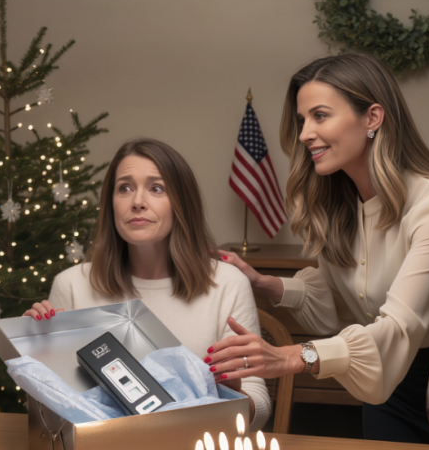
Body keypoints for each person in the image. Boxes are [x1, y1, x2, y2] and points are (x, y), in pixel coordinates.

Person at [210, 52, 429, 444]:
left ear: (372, 118)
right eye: (303, 119)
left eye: (320, 116)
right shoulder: (338, 202)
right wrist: (263, 283)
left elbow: (398, 327)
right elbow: (341, 291)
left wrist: (293, 356)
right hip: (387, 384)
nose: (305, 133)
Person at [24, 137, 271, 429]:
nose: (137, 202)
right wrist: (39, 355)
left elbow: (260, 406)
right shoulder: (71, 284)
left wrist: (232, 395)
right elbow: (50, 412)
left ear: (182, 203)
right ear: (111, 203)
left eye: (156, 188)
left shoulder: (228, 284)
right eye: (124, 188)